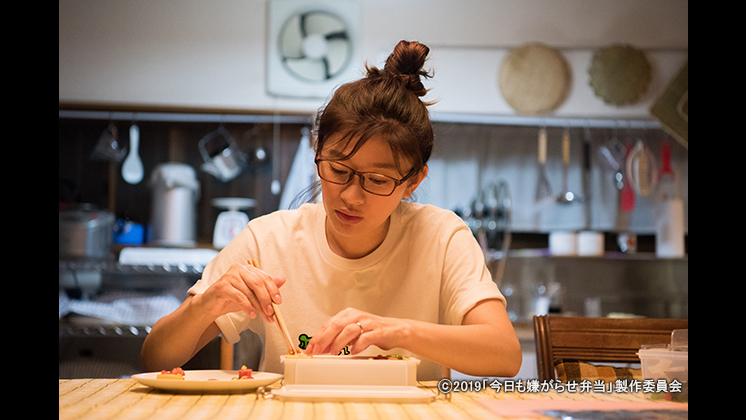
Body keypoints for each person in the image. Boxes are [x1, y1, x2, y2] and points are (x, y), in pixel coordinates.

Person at [141, 40, 522, 380]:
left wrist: (395, 331)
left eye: (377, 180)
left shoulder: (440, 236)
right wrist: (207, 304)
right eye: (338, 170)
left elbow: (504, 354)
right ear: (317, 152)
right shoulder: (268, 241)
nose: (350, 196)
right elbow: (155, 357)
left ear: (413, 181)